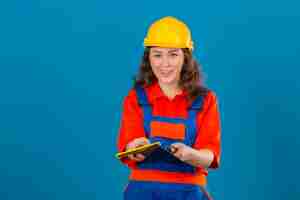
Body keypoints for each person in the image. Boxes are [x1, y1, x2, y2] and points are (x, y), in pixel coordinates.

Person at [116, 16, 221, 200]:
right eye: (157, 54)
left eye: (173, 54)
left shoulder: (205, 100)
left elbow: (210, 157)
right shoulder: (136, 98)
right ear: (148, 58)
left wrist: (191, 155)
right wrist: (135, 148)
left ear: (185, 57)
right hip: (142, 192)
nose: (165, 64)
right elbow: (127, 150)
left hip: (189, 192)